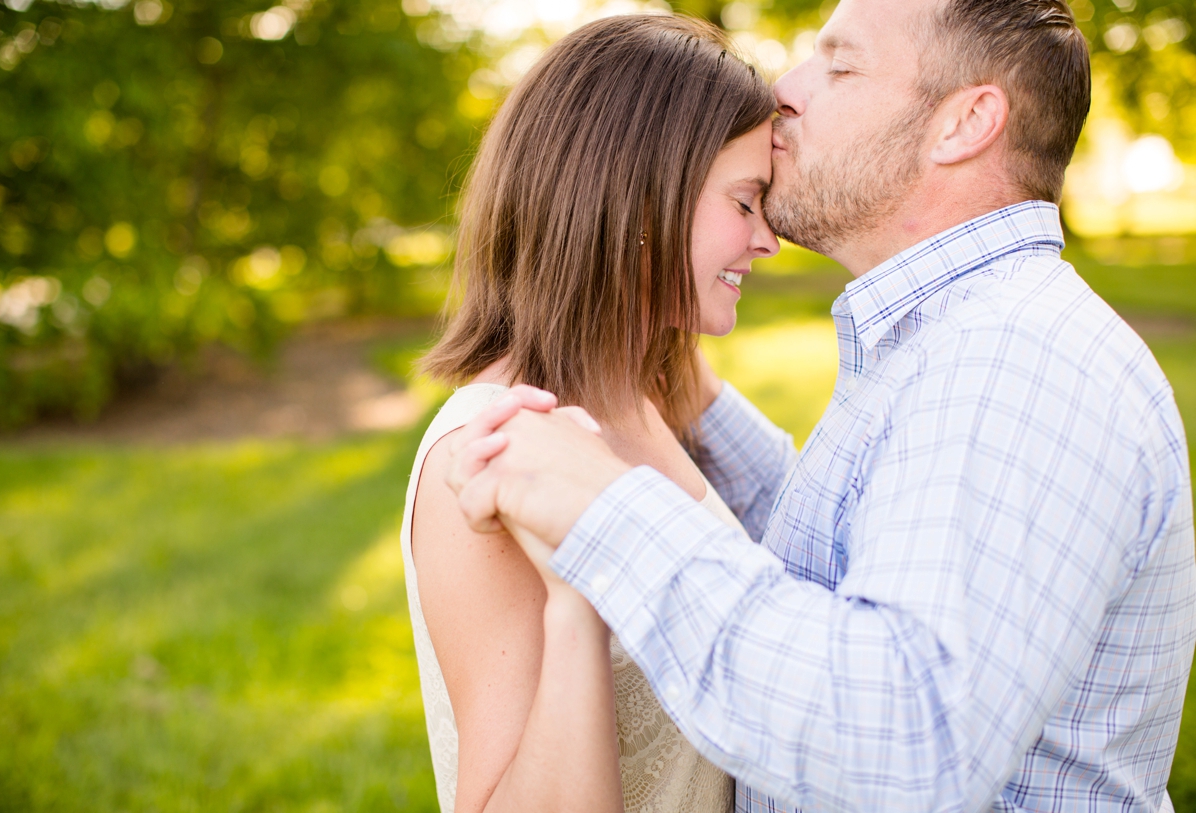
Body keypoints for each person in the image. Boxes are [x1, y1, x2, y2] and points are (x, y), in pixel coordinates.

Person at [446, 0, 1196, 811]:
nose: (786, 89)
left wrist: (602, 511)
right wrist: (670, 391)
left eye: (839, 65)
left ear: (965, 123)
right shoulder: (954, 339)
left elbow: (912, 742)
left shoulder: (1014, 359)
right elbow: (852, 556)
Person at [398, 15, 781, 813]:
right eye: (746, 202)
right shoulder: (494, 450)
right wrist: (576, 596)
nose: (768, 238)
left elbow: (791, 496)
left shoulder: (646, 387)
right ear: (641, 197)